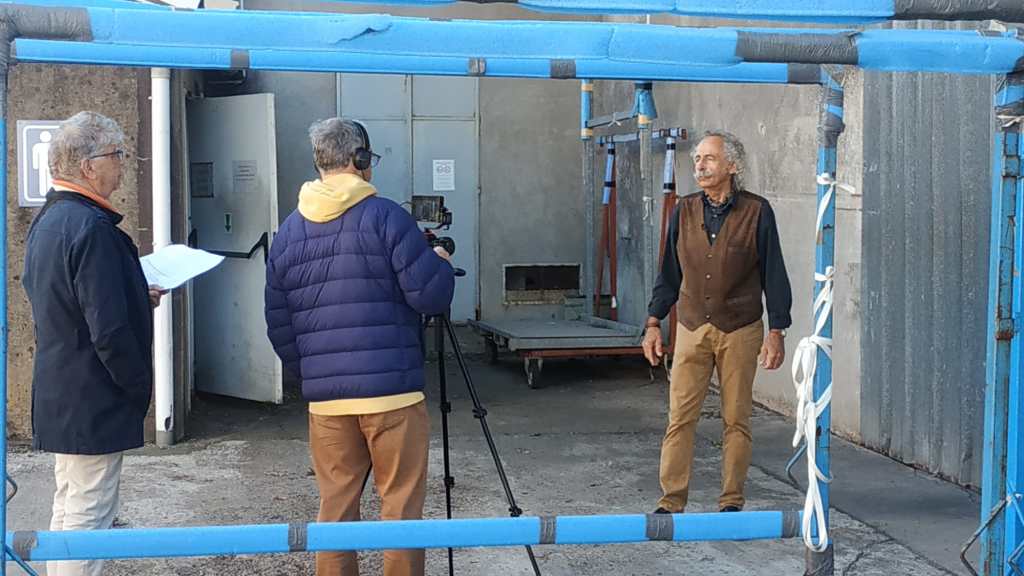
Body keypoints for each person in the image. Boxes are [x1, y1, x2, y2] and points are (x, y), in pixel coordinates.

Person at [265, 118, 455, 576]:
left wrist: (314, 375)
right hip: (393, 398)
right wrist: (440, 263)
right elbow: (429, 296)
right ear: (361, 159)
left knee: (335, 512)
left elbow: (279, 324)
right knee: (401, 510)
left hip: (328, 404)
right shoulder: (387, 217)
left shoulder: (288, 231)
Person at [22, 111, 166, 576]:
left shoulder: (50, 221)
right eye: (116, 155)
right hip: (94, 395)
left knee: (70, 504)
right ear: (87, 167)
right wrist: (136, 387)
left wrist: (134, 295)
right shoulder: (92, 228)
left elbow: (67, 301)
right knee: (89, 515)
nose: (123, 164)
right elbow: (108, 330)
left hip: (63, 390)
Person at [643, 130, 792, 514]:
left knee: (736, 419)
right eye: (697, 159)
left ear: (732, 165)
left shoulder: (757, 211)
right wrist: (654, 321)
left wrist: (777, 331)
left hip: (740, 328)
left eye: (709, 158)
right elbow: (669, 272)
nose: (700, 165)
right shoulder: (684, 210)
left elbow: (774, 273)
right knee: (680, 417)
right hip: (692, 326)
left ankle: (731, 501)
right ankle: (671, 501)